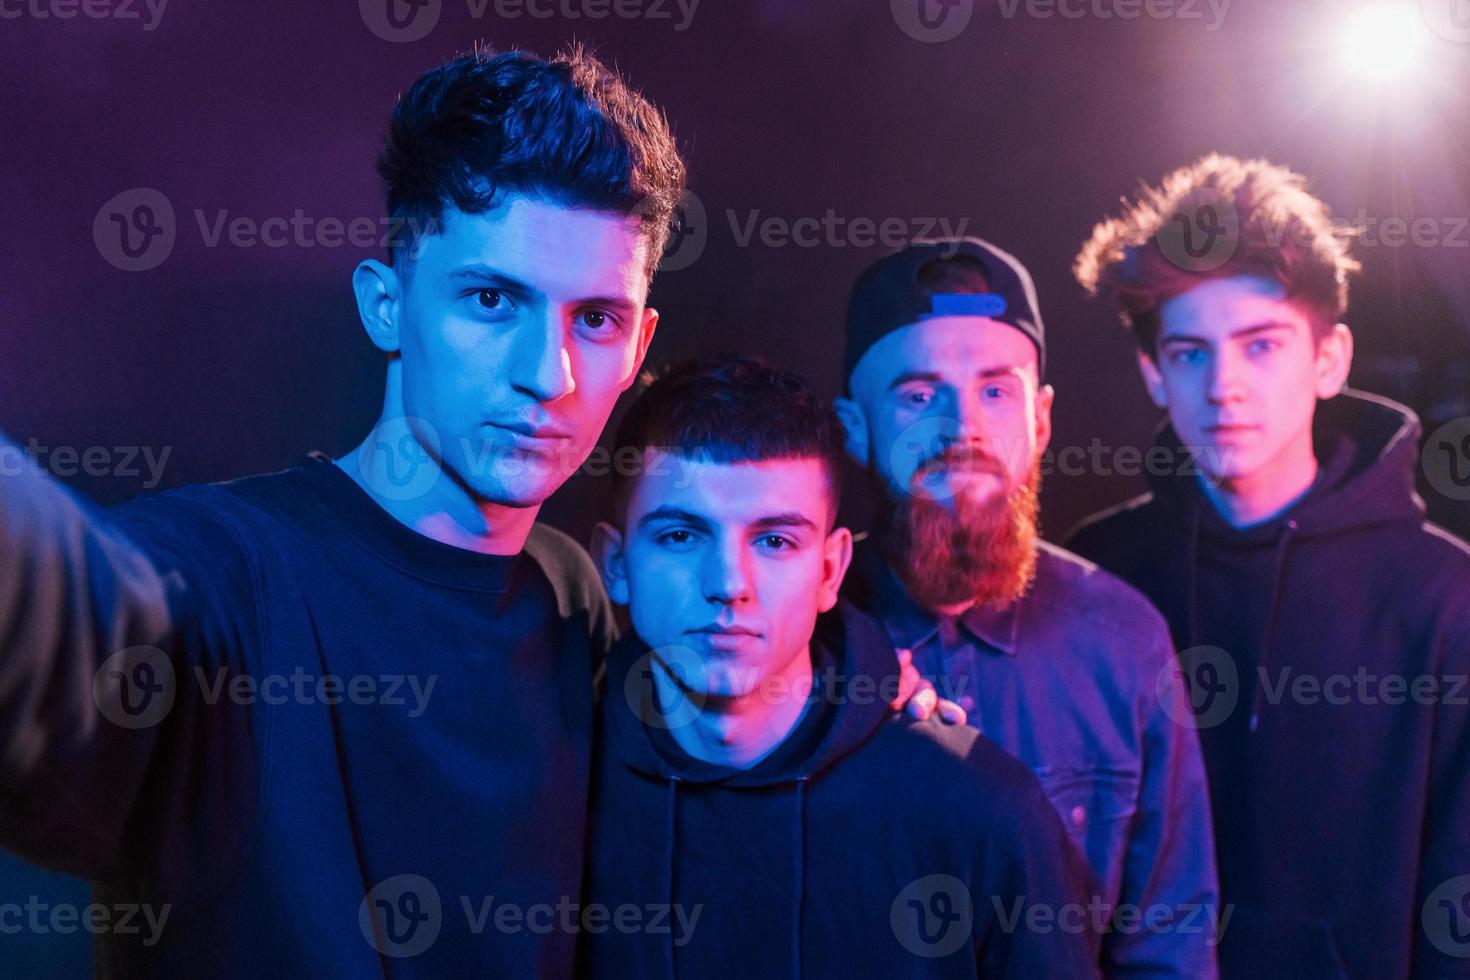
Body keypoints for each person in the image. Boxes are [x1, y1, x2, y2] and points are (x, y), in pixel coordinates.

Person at [0, 46, 684, 976]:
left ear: (640, 342)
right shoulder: (223, 578)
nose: (549, 376)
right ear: (388, 305)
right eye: (492, 299)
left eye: (594, 320)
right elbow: (62, 611)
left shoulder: (578, 600)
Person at [1066, 154, 1470, 979]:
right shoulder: (1094, 579)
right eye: (1189, 354)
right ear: (1153, 373)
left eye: (1262, 346)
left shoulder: (1444, 600)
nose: (1225, 387)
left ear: (1330, 359)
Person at [582, 353, 1100, 978]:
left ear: (829, 570)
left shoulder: (980, 809)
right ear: (615, 563)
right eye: (680, 536)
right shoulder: (550, 778)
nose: (728, 584)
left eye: (775, 541)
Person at [835, 237, 1222, 977]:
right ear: (856, 425)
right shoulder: (797, 636)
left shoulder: (1125, 641)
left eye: (995, 389)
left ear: (1040, 418)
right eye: (918, 394)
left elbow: (1167, 948)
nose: (963, 428)